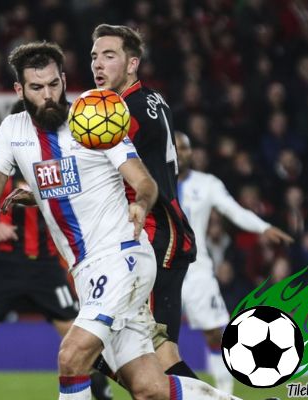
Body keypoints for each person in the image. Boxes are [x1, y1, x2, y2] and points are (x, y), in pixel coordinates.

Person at [0, 41, 238, 400]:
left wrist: (140, 202)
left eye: (53, 84)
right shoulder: (13, 130)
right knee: (149, 388)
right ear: (19, 90)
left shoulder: (94, 115)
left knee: (72, 356)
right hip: (86, 271)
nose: (47, 95)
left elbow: (143, 181)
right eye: (36, 87)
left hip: (122, 256)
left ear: (63, 80)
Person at [0, 149, 112, 400]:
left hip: (45, 268)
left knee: (82, 342)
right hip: (1, 267)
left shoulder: (55, 161)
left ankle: (105, 396)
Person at [89, 24, 198, 378]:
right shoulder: (153, 98)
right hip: (168, 233)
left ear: (132, 64)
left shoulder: (122, 111)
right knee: (158, 357)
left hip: (152, 237)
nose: (98, 65)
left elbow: (94, 166)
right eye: (94, 56)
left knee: (152, 359)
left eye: (109, 56)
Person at [175, 132, 294, 393]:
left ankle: (224, 393)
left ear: (190, 153)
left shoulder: (207, 184)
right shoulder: (151, 179)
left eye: (184, 147)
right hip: (158, 270)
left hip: (196, 269)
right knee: (155, 338)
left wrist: (263, 227)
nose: (180, 152)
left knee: (214, 333)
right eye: (174, 147)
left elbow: (234, 210)